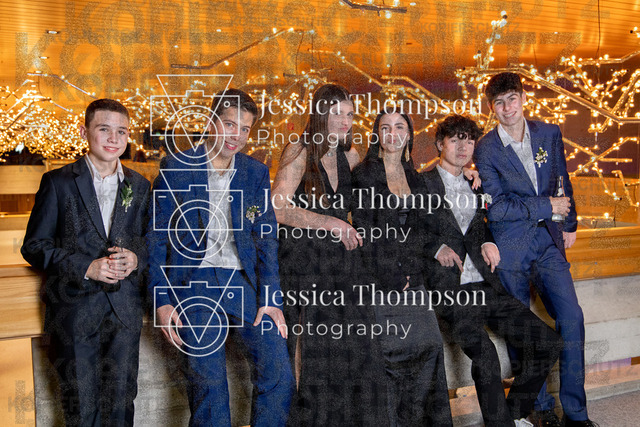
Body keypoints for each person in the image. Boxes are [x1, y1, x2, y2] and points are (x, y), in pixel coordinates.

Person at [147, 89, 294, 426]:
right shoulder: (176, 167)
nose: (236, 136)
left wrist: (271, 298)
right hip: (194, 282)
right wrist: (161, 300)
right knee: (210, 386)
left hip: (241, 282)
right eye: (229, 124)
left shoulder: (255, 172)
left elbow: (266, 239)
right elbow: (155, 240)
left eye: (244, 129)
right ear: (211, 122)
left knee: (279, 373)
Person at [421, 114, 562, 427]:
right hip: (451, 290)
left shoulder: (475, 184)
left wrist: (487, 241)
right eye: (455, 140)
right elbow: (410, 231)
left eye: (469, 141)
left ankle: (514, 414)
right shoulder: (422, 183)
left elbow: (477, 227)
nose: (463, 147)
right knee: (485, 355)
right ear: (440, 144)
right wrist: (436, 248)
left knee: (548, 342)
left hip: (486, 285)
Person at [474, 72, 596, 427]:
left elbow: (562, 180)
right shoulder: (486, 148)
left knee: (571, 318)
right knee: (522, 330)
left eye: (512, 99)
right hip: (510, 247)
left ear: (523, 98)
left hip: (547, 243)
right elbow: (497, 208)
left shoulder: (549, 133)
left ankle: (576, 414)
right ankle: (540, 408)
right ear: (492, 108)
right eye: (499, 103)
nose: (507, 108)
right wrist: (547, 207)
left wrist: (569, 223)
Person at [21, 99, 150, 426]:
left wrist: (136, 257)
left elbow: (149, 241)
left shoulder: (139, 185)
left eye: (121, 131)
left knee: (121, 405)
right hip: (74, 311)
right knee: (81, 408)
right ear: (84, 132)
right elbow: (34, 246)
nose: (113, 138)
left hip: (124, 311)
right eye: (104, 129)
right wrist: (86, 267)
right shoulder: (58, 182)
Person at [272, 84, 389, 425]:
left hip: (342, 266)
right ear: (320, 114)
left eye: (349, 114)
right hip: (304, 263)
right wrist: (330, 223)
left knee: (357, 350)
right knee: (315, 351)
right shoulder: (298, 149)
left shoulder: (350, 155)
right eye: (336, 113)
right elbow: (276, 208)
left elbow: (390, 173)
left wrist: (464, 171)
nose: (344, 121)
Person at [351, 111, 453, 426]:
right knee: (391, 358)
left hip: (414, 280)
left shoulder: (416, 177)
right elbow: (367, 233)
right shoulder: (364, 174)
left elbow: (422, 230)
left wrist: (420, 264)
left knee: (431, 347)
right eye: (385, 128)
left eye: (399, 127)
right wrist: (393, 276)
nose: (392, 133)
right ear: (377, 135)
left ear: (408, 134)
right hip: (380, 282)